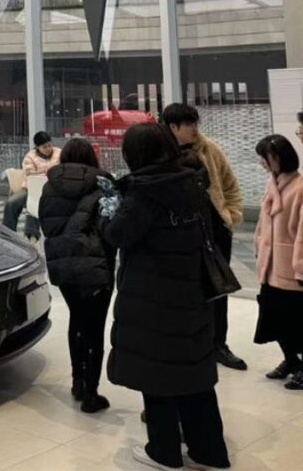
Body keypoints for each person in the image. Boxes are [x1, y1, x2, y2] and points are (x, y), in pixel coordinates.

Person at [104, 123, 230, 471]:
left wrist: (108, 210)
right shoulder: (192, 182)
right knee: (194, 374)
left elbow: (118, 234)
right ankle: (209, 451)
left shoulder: (145, 191)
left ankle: (164, 452)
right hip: (192, 292)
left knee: (156, 374)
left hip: (152, 297)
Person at [162, 102, 247, 371]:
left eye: (196, 124)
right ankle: (191, 343)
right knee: (187, 289)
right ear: (173, 127)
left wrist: (230, 217)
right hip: (182, 232)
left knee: (218, 288)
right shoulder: (161, 153)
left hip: (216, 229)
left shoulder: (208, 148)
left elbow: (230, 183)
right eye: (190, 125)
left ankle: (218, 343)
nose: (195, 130)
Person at [39, 138, 115, 414]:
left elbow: (46, 222)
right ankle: (91, 392)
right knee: (95, 327)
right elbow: (111, 226)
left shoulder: (50, 185)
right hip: (97, 266)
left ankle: (77, 382)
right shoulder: (104, 183)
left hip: (64, 265)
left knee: (77, 320)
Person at [253, 135, 303, 390]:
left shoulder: (300, 187)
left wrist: (300, 268)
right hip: (270, 267)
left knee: (297, 322)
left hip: (292, 270)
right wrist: (257, 246)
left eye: (266, 157)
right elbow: (263, 223)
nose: (262, 162)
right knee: (275, 319)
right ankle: (291, 360)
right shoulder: (272, 183)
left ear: (279, 158)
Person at [3, 131, 60, 237]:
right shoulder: (30, 157)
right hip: (31, 188)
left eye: (49, 145)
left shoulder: (59, 153)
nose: (48, 149)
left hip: (53, 189)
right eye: (44, 147)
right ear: (38, 147)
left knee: (34, 204)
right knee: (11, 203)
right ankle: (8, 234)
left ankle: (31, 234)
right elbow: (30, 174)